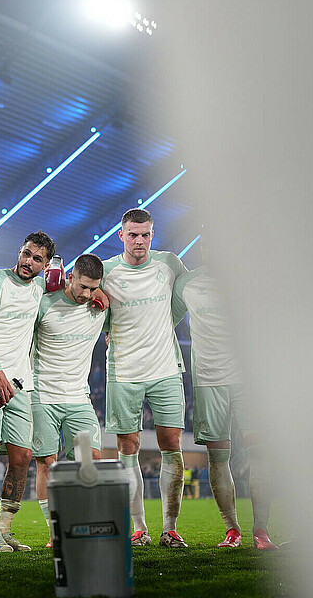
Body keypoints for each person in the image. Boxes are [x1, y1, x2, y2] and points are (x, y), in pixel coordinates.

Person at [99, 208, 189, 548]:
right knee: (128, 447)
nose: (140, 240)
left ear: (153, 234)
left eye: (146, 234)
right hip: (123, 372)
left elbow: (184, 298)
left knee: (172, 445)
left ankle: (170, 528)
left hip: (166, 369)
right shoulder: (106, 270)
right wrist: (106, 324)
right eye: (133, 234)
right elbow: (87, 298)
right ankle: (139, 528)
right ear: (121, 235)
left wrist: (166, 325)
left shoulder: (170, 263)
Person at [173, 260, 277, 549]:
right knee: (218, 457)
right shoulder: (187, 283)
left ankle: (261, 531)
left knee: (260, 454)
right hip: (209, 380)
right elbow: (164, 317)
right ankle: (232, 530)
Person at [0, 232, 53, 552]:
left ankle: (5, 528)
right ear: (19, 252)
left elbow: (73, 287)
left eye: (37, 259)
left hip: (22, 384)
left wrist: (96, 293)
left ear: (46, 266)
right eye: (26, 253)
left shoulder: (41, 289)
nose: (28, 262)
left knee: (22, 457)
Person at [30, 254, 107, 546]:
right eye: (84, 286)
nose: (87, 294)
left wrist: (103, 294)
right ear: (70, 276)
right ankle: (56, 531)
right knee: (47, 464)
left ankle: (82, 522)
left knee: (91, 459)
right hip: (43, 396)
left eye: (94, 288)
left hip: (78, 398)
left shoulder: (99, 307)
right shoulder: (44, 301)